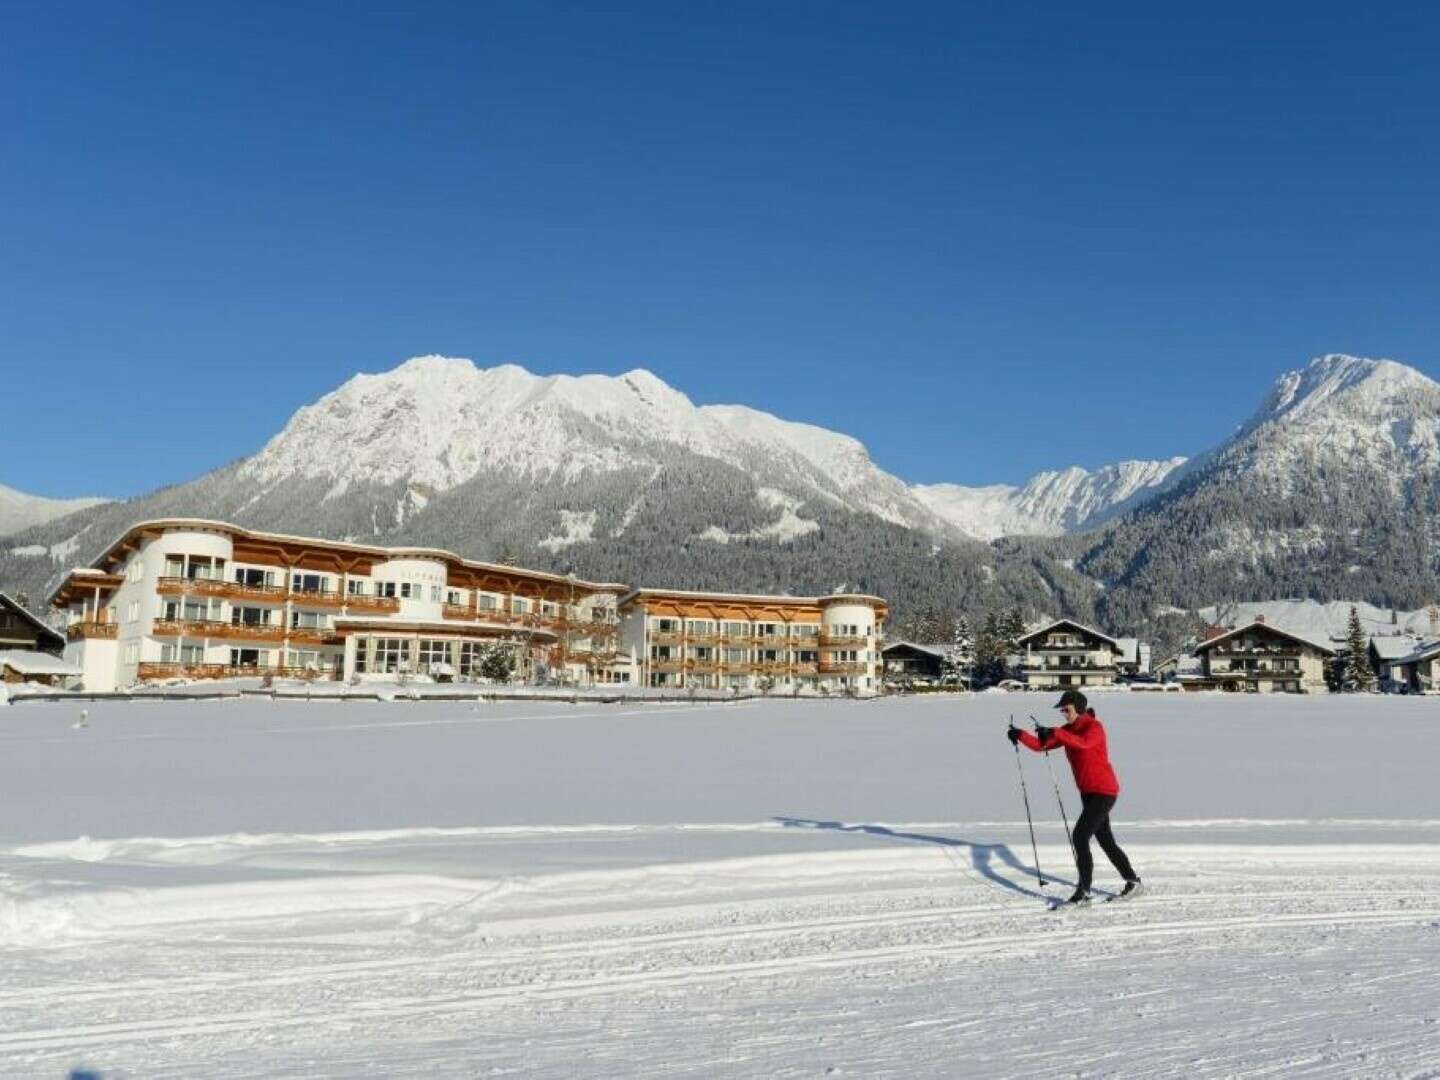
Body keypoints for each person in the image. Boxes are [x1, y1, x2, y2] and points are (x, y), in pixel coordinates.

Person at [1007, 688, 1141, 904]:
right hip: (1088, 793)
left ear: (1078, 708)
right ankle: (1132, 881)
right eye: (1062, 710)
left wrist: (1056, 732)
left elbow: (1084, 743)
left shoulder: (1094, 728)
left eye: (1066, 709)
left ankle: (1084, 891)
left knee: (1080, 836)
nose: (1064, 713)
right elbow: (1042, 746)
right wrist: (1020, 735)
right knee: (1105, 840)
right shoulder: (1068, 730)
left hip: (1104, 791)